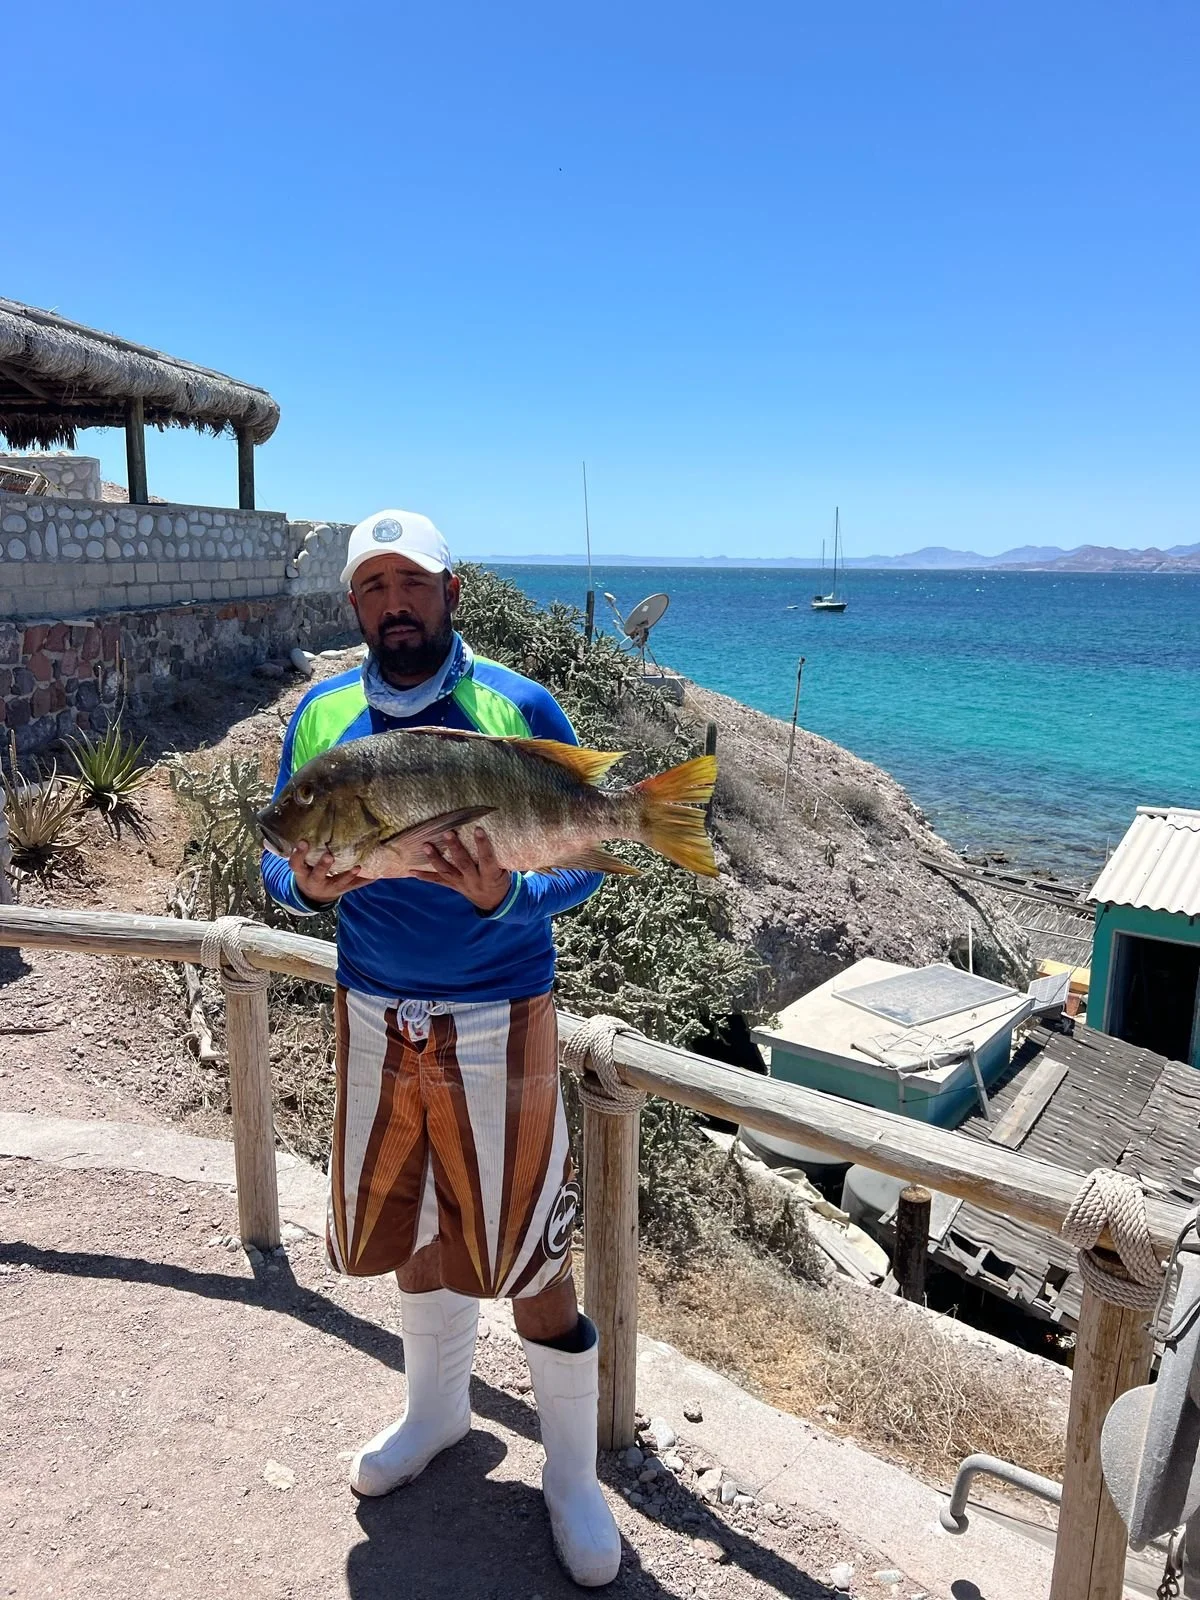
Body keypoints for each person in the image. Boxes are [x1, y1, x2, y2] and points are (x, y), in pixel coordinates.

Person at [261, 510, 622, 1588]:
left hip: (501, 1016)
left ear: (450, 592)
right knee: (414, 1217)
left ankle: (572, 1476)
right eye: (373, 587)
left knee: (533, 1252)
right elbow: (282, 858)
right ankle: (438, 1415)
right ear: (354, 607)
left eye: (411, 583)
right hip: (374, 1014)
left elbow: (588, 853)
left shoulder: (515, 706)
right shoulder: (322, 715)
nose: (395, 604)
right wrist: (305, 887)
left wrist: (510, 894)